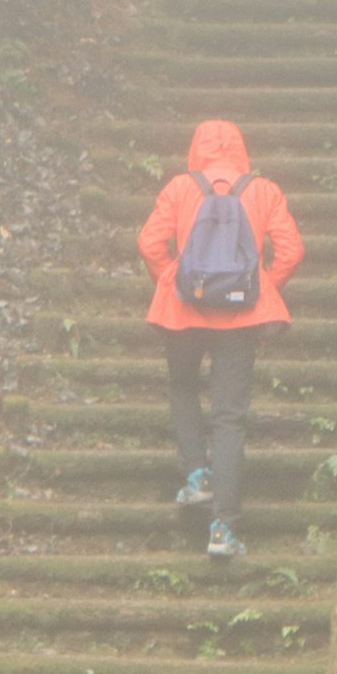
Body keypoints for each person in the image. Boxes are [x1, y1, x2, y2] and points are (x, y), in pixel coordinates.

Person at [139, 117, 304, 559]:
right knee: (229, 418)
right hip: (242, 314)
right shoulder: (263, 190)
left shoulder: (179, 188)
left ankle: (196, 475)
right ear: (240, 149)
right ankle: (223, 530)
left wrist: (172, 281)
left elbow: (150, 244)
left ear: (196, 148)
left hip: (185, 313)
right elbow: (291, 250)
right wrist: (262, 287)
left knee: (183, 386)